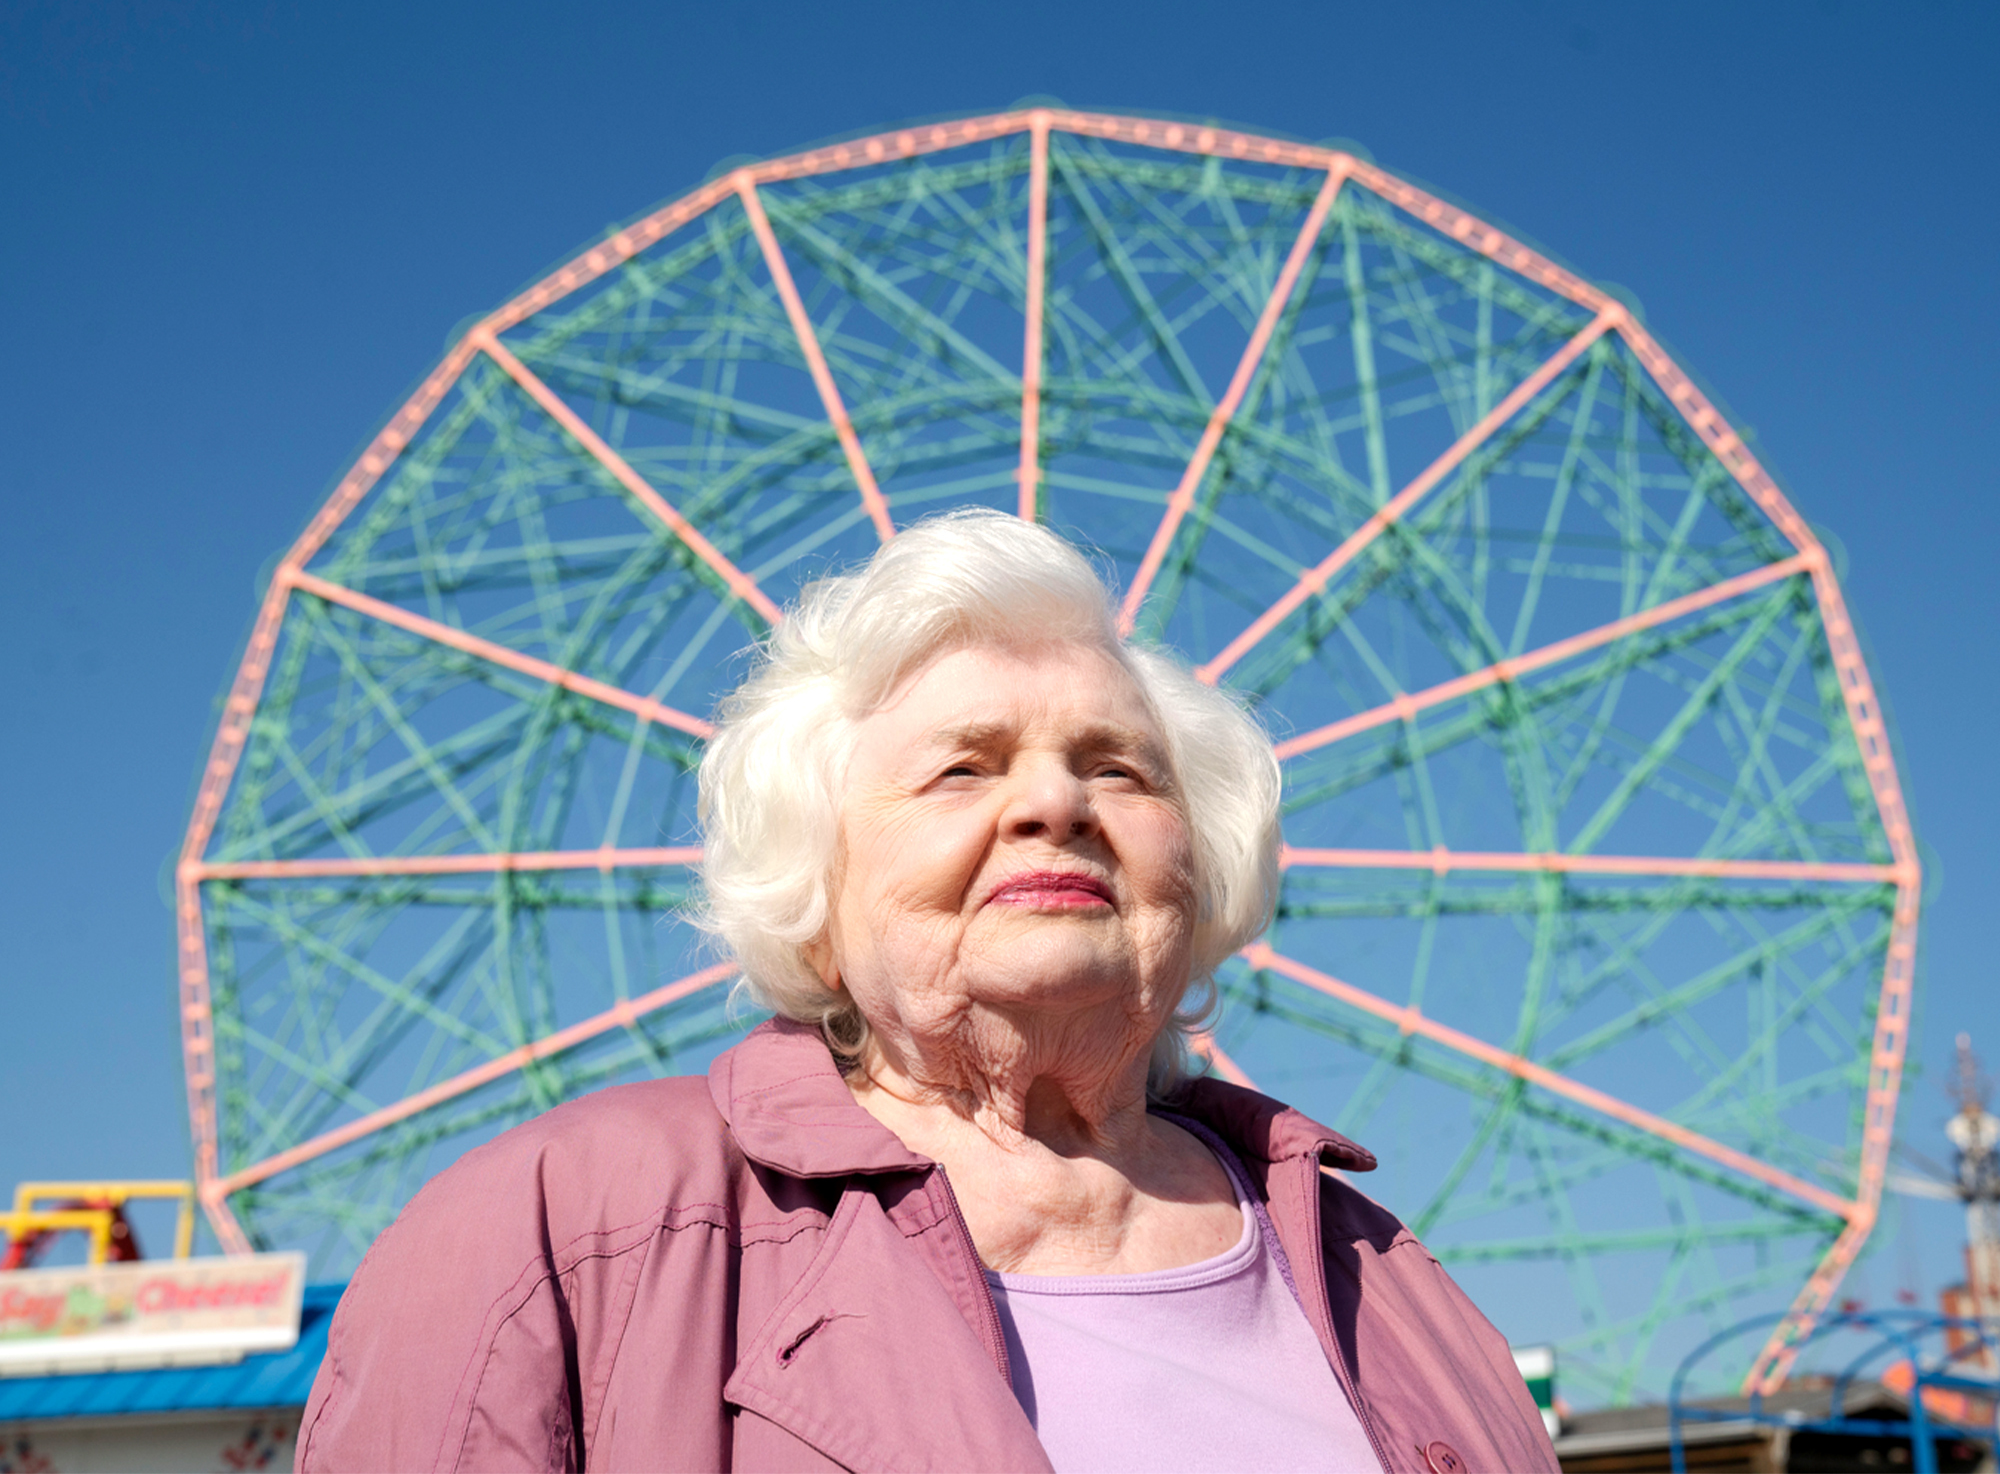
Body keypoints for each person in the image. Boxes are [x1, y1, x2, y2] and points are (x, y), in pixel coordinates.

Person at [296, 511, 1558, 1474]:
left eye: (1119, 770)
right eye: (963, 768)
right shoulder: (563, 1236)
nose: (1052, 805)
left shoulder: (1389, 1282)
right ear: (817, 877)